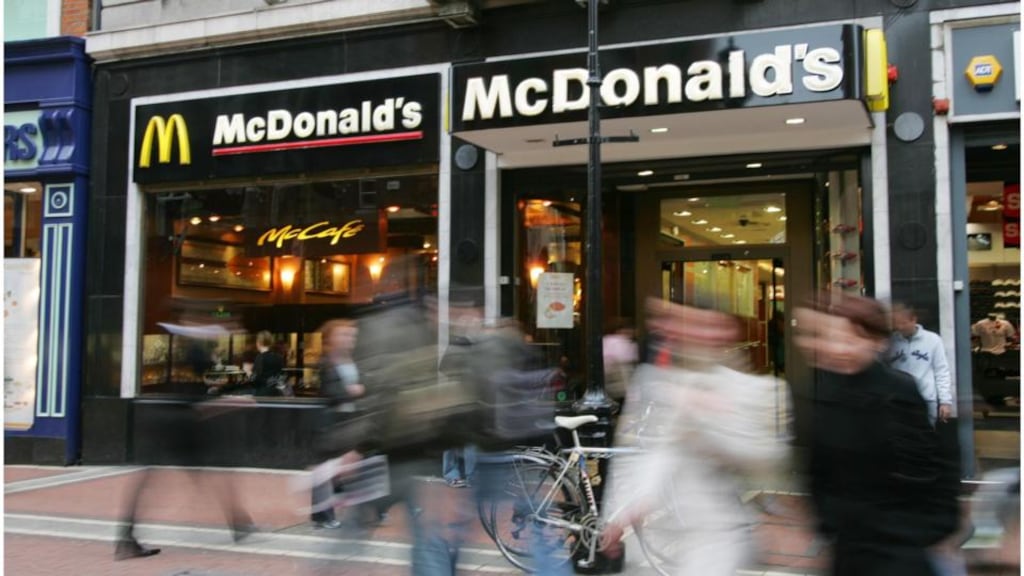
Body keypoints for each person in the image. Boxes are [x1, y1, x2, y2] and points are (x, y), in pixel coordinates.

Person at [600, 300, 789, 576]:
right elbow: (644, 453)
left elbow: (766, 458)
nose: (697, 335)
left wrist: (710, 424)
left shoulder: (755, 389)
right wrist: (619, 515)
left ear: (727, 331)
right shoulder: (655, 381)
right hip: (665, 539)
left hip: (718, 538)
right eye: (688, 326)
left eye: (706, 326)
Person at [793, 295, 960, 576]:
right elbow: (816, 468)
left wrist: (932, 528)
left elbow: (932, 463)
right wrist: (827, 521)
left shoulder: (899, 391)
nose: (840, 349)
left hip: (899, 541)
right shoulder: (820, 392)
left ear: (877, 342)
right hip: (848, 541)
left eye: (852, 339)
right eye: (836, 338)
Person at [310, 319, 363, 529]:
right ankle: (322, 516)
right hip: (330, 422)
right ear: (331, 338)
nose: (349, 339)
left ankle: (358, 508)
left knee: (346, 467)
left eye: (351, 335)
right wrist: (353, 391)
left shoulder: (354, 361)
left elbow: (367, 382)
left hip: (349, 420)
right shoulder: (325, 363)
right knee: (325, 471)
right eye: (344, 335)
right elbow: (332, 392)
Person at [888, 303, 954, 426]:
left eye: (903, 323)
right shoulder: (891, 341)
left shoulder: (933, 340)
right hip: (897, 399)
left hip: (925, 398)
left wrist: (945, 401)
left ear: (914, 319)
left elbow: (941, 371)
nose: (899, 327)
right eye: (896, 323)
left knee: (925, 437)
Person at [251, 330, 285, 396]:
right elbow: (281, 377)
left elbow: (255, 380)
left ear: (259, 342)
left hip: (263, 394)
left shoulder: (260, 358)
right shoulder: (278, 357)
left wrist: (248, 372)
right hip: (276, 393)